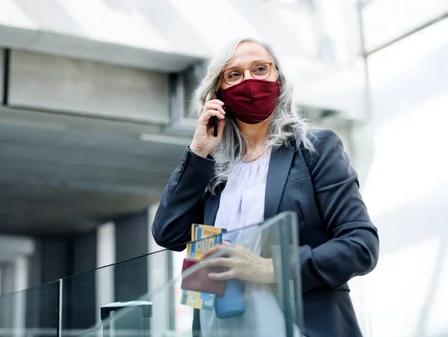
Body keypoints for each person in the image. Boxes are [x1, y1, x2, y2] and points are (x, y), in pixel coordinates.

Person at [151, 37, 380, 337]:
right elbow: (167, 233)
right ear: (217, 94)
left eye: (260, 69)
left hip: (299, 327)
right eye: (234, 74)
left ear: (279, 80)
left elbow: (361, 245)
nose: (249, 80)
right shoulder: (213, 168)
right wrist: (198, 151)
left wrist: (269, 269)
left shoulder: (314, 149)